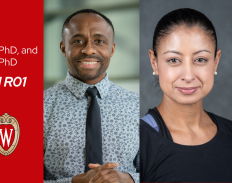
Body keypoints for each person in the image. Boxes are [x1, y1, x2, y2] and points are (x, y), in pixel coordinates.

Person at [44, 9, 139, 183]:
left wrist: (128, 179)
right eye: (78, 41)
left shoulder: (137, 106)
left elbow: (160, 172)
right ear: (63, 48)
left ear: (112, 49)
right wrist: (73, 182)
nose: (88, 50)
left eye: (99, 41)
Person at [140, 8, 232, 182]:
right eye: (173, 60)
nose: (188, 76)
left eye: (200, 60)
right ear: (154, 62)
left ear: (216, 61)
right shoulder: (136, 143)